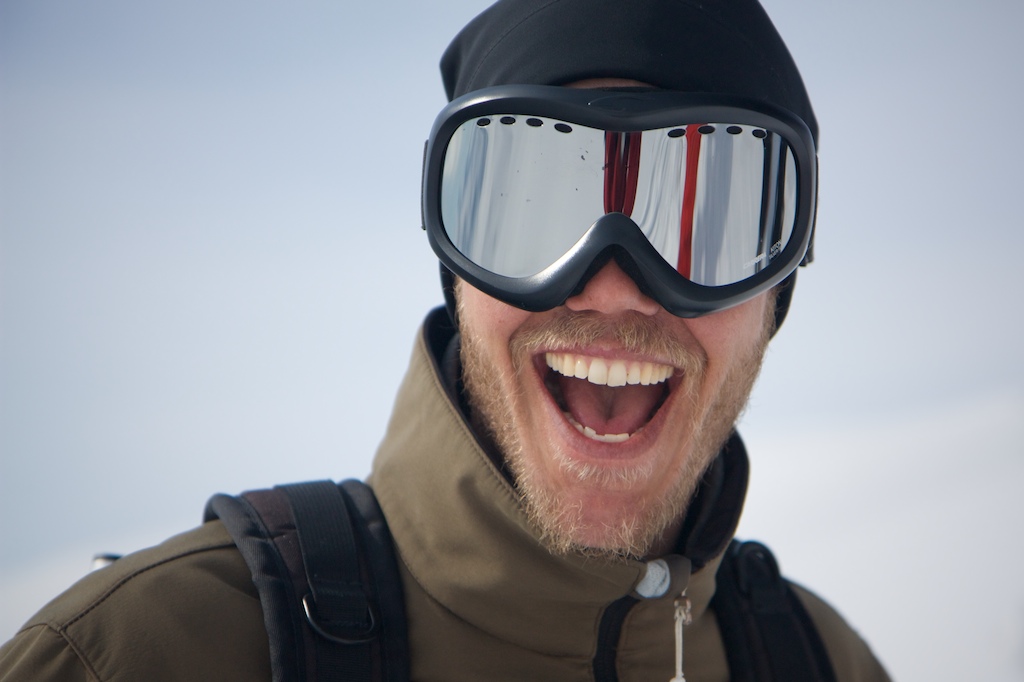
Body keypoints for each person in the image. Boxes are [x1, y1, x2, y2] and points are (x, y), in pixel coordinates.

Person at [0, 0, 891, 680]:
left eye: (711, 218)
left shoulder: (821, 664)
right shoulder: (135, 656)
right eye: (533, 207)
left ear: (778, 292)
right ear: (455, 269)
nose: (616, 282)